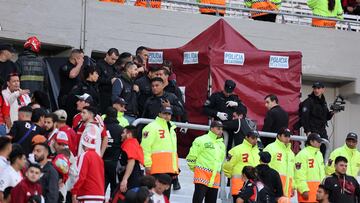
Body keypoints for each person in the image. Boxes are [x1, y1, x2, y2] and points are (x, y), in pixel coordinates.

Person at [141, 106, 179, 199]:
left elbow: (173, 151)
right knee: (153, 197)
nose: (167, 116)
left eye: (169, 114)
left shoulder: (172, 128)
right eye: (165, 113)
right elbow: (145, 147)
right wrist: (147, 164)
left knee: (164, 198)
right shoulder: (151, 127)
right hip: (156, 168)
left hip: (168, 169)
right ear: (159, 114)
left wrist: (175, 168)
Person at [186, 121, 226, 203]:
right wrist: (195, 168)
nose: (220, 131)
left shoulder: (222, 145)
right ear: (211, 128)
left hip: (215, 177)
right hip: (202, 175)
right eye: (218, 128)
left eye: (221, 129)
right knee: (198, 200)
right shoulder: (201, 140)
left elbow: (220, 161)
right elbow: (191, 156)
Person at [203, 79, 247, 151]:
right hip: (218, 125)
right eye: (227, 91)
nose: (228, 94)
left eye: (230, 92)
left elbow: (244, 110)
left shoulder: (234, 98)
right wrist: (217, 114)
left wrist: (237, 104)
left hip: (230, 128)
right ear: (224, 88)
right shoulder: (215, 96)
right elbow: (205, 109)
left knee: (227, 149)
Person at [223, 130, 260, 199]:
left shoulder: (258, 152)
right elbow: (227, 166)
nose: (255, 140)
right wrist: (231, 176)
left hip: (253, 188)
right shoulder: (236, 150)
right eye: (253, 138)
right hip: (239, 185)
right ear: (246, 137)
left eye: (256, 138)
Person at [300, 82, 334, 157]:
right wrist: (308, 131)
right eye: (315, 88)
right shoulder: (308, 101)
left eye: (318, 88)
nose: (316, 90)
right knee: (311, 155)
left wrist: (333, 112)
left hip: (322, 131)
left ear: (323, 89)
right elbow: (304, 118)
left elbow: (326, 117)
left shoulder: (323, 102)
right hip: (312, 132)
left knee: (324, 153)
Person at [71, 132, 105, 203]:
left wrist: (74, 192)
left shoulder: (84, 156)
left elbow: (80, 176)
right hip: (99, 195)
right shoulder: (99, 157)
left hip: (87, 195)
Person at [263, 127, 295, 198]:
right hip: (273, 189)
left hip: (286, 191)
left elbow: (293, 172)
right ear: (279, 136)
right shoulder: (270, 148)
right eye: (285, 136)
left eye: (289, 136)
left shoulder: (291, 153)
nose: (287, 138)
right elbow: (263, 166)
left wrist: (293, 186)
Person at [294, 133, 325, 203]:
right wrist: (303, 190)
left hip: (319, 194)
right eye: (318, 141)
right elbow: (299, 174)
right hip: (307, 194)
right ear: (311, 142)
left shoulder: (319, 154)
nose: (320, 143)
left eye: (320, 141)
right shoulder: (302, 154)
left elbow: (322, 174)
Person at [102, 107, 124, 196]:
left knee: (101, 188)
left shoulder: (100, 128)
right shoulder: (121, 129)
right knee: (114, 190)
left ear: (106, 115)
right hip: (115, 163)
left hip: (101, 162)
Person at [118, 126, 144, 194]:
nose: (121, 135)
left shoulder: (130, 144)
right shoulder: (134, 143)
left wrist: (125, 180)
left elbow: (131, 161)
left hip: (132, 181)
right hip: (135, 179)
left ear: (129, 134)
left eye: (123, 133)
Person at [97, 48, 120, 113]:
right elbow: (96, 79)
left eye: (115, 60)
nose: (113, 61)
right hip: (102, 94)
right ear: (107, 55)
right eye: (112, 59)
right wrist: (109, 81)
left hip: (111, 95)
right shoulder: (99, 64)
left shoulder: (115, 67)